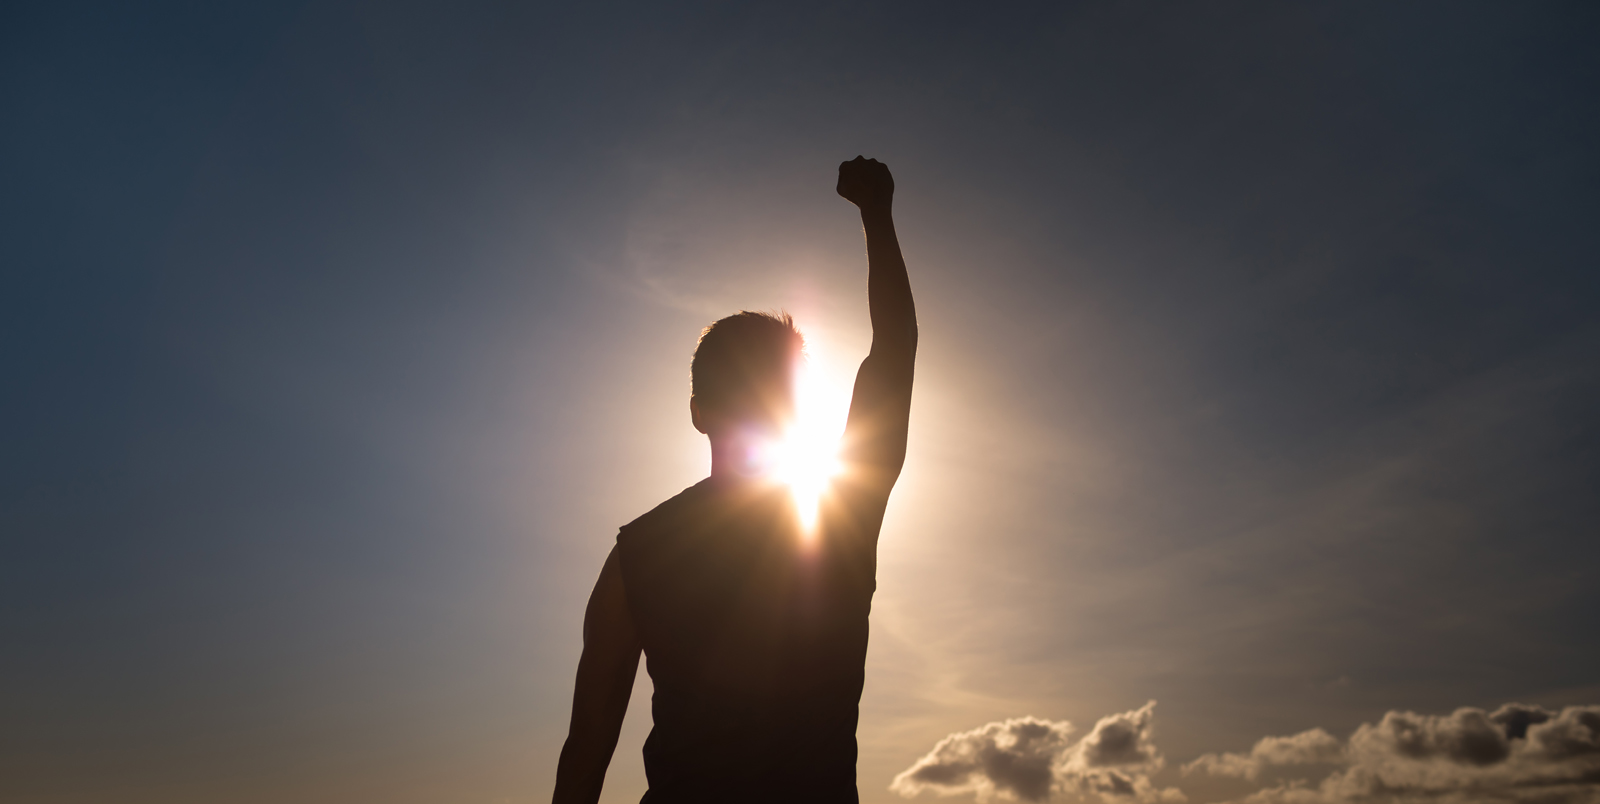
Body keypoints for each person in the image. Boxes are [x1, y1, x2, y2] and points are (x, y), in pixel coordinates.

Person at [552, 156, 916, 804]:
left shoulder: (635, 558)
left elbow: (585, 758)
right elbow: (892, 353)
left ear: (697, 413)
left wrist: (879, 217)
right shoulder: (843, 517)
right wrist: (877, 217)